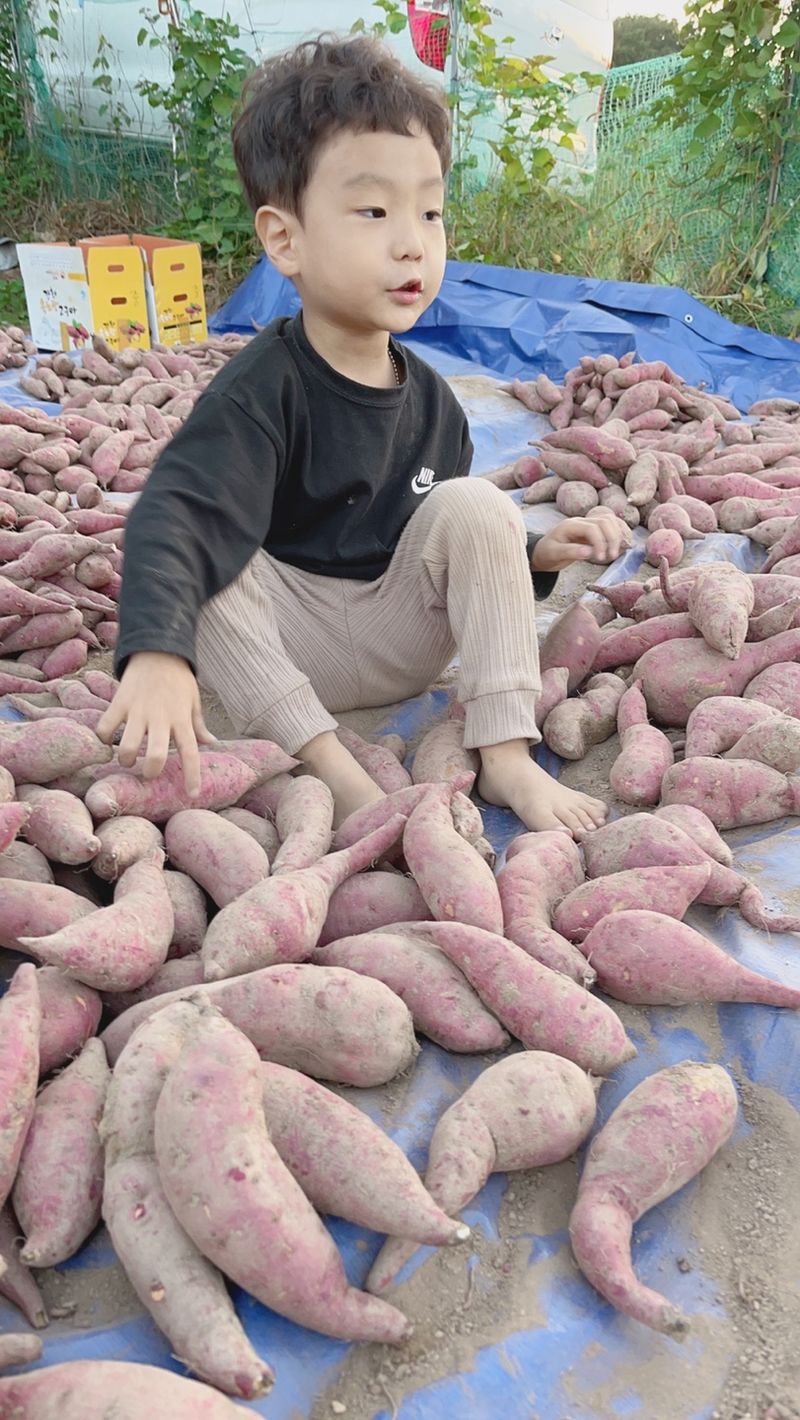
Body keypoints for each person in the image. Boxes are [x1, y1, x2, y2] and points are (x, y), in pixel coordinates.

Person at [99, 34, 630, 838]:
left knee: (478, 507)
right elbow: (181, 515)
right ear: (285, 240)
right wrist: (157, 651)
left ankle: (508, 752)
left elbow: (433, 542)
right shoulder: (259, 389)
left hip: (396, 631)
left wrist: (532, 558)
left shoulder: (437, 405)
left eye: (431, 211)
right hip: (285, 648)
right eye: (375, 211)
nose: (412, 240)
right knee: (207, 552)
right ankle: (331, 768)